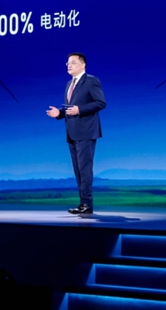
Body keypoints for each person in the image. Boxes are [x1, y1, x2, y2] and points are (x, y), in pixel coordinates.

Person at [46, 52, 106, 214]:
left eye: (73, 62)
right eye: (67, 63)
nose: (69, 65)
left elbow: (100, 103)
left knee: (85, 169)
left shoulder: (91, 81)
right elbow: (70, 109)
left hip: (86, 131)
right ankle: (83, 203)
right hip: (72, 132)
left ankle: (87, 204)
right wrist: (59, 113)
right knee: (78, 170)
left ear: (83, 65)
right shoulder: (69, 84)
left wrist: (80, 109)